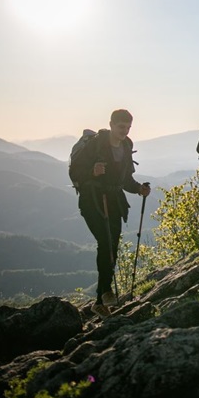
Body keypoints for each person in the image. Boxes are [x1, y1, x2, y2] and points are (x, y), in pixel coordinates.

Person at [69, 109, 151, 317]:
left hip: (114, 202)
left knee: (112, 246)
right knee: (106, 243)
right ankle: (106, 292)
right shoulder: (96, 145)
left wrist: (139, 188)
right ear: (111, 125)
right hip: (93, 201)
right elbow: (74, 172)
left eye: (128, 127)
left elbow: (125, 180)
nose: (124, 131)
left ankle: (99, 301)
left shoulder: (126, 146)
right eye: (121, 126)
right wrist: (91, 172)